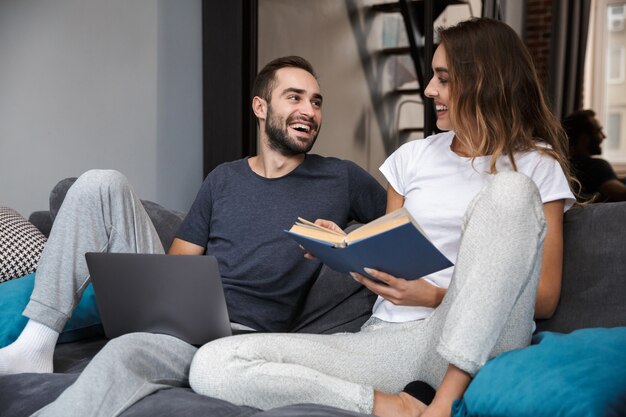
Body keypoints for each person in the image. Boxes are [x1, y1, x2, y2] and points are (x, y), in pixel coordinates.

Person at [188, 18, 576, 417]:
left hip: (484, 342)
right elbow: (390, 255)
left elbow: (543, 298)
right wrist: (347, 248)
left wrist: (436, 297)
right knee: (215, 364)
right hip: (394, 341)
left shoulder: (536, 166)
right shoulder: (413, 158)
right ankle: (393, 407)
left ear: (483, 82)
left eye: (442, 78)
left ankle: (444, 401)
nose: (429, 91)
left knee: (509, 190)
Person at [0, 56, 387, 415]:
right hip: (182, 315)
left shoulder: (342, 178)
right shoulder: (223, 178)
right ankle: (37, 341)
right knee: (99, 184)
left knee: (124, 353)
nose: (309, 111)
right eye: (295, 97)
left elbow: (400, 232)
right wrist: (163, 299)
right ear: (260, 107)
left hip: (240, 338)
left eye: (316, 102)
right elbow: (179, 263)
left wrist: (341, 245)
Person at [564, 109, 626, 201]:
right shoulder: (595, 166)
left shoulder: (565, 165)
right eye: (598, 131)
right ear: (584, 138)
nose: (604, 136)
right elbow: (621, 194)